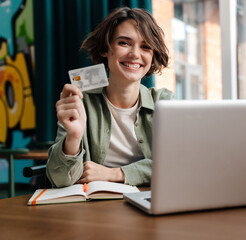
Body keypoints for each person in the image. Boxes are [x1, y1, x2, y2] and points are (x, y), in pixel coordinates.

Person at [46, 7, 174, 187]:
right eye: (124, 43)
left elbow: (176, 165)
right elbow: (59, 179)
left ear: (152, 57)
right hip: (94, 209)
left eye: (145, 47)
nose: (135, 54)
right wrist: (74, 137)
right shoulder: (79, 101)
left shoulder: (165, 102)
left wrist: (115, 173)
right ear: (105, 49)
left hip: (151, 204)